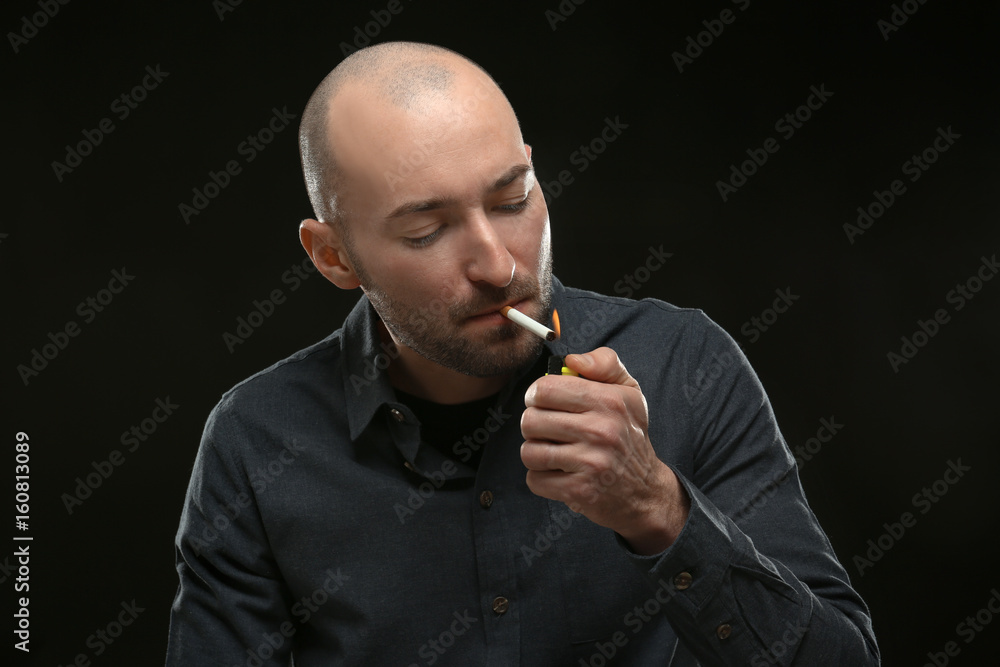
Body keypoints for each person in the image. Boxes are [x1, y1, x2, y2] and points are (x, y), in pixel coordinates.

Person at [166, 41, 879, 666]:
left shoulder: (686, 364)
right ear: (333, 255)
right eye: (426, 230)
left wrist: (658, 506)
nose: (499, 266)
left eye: (512, 201)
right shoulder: (258, 438)